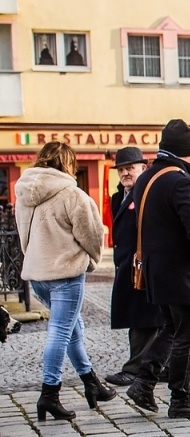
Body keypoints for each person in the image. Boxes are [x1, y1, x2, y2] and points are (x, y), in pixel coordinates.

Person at [125, 119, 190, 419]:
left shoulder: (147, 178)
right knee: (187, 334)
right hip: (184, 274)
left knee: (170, 329)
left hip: (158, 271)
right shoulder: (180, 181)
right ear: (189, 151)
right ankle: (181, 397)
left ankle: (143, 382)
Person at [16, 141, 113, 421]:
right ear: (68, 163)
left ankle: (90, 382)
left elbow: (24, 236)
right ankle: (50, 393)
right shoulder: (73, 194)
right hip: (66, 274)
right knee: (60, 330)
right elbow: (92, 235)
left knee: (72, 327)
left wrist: (34, 259)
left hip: (39, 275)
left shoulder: (24, 192)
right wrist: (92, 260)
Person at [107, 146, 168, 388]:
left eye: (130, 168)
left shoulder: (147, 194)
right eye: (121, 169)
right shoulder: (117, 197)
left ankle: (137, 368)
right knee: (137, 316)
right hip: (126, 265)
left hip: (144, 264)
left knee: (145, 317)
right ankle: (154, 366)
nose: (125, 173)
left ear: (143, 168)